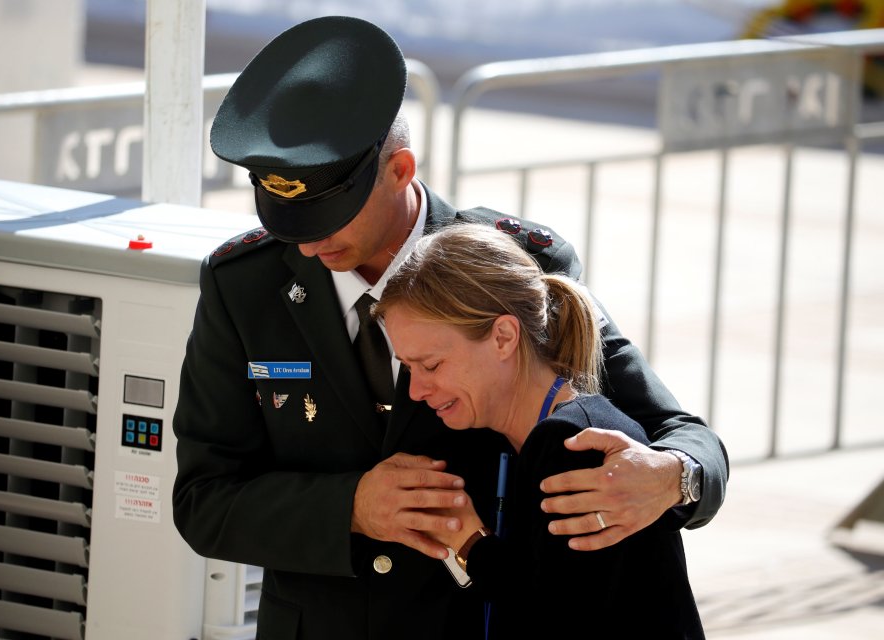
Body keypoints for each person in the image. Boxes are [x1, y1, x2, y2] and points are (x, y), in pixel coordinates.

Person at [172, 14, 727, 640]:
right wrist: (349, 507)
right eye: (287, 223)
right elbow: (203, 500)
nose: (304, 247)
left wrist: (673, 477)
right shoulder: (242, 285)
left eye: (326, 218)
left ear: (400, 170)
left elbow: (674, 432)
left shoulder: (515, 265)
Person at [374, 223, 705, 638]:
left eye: (431, 365)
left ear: (503, 337)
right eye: (407, 368)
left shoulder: (574, 444)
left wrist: (468, 542)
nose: (417, 391)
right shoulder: (501, 435)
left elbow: (550, 614)